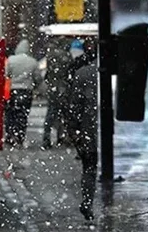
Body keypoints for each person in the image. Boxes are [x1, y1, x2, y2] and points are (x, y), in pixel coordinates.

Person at [66, 39, 98, 221]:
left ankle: (87, 202)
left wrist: (73, 129)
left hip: (89, 130)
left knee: (89, 167)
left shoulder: (82, 74)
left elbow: (75, 107)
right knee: (96, 167)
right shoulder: (108, 75)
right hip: (106, 134)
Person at [4, 39, 42, 147]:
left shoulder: (11, 60)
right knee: (23, 115)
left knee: (11, 114)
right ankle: (20, 136)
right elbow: (37, 78)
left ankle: (10, 135)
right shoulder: (33, 61)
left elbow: (6, 74)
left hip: (14, 90)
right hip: (27, 91)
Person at [42, 38, 72, 149]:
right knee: (63, 114)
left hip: (53, 88)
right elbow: (69, 72)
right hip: (62, 88)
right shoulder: (66, 56)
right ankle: (61, 137)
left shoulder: (50, 56)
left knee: (51, 113)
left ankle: (46, 138)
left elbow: (48, 73)